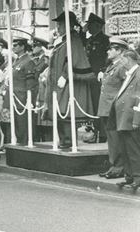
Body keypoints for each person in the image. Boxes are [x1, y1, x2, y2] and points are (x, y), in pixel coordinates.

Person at [46, 11, 96, 148]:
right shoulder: (63, 40)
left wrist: (65, 75)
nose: (58, 27)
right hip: (58, 84)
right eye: (58, 24)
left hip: (67, 83)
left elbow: (73, 59)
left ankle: (67, 140)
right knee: (59, 111)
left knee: (66, 111)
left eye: (61, 24)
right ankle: (64, 140)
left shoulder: (73, 39)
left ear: (69, 25)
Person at [97, 38, 128, 179]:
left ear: (120, 51)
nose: (108, 51)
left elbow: (126, 87)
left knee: (116, 138)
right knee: (111, 138)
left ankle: (119, 167)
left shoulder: (122, 67)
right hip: (107, 108)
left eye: (111, 49)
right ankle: (114, 165)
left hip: (114, 108)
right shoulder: (112, 66)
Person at [111, 50, 140, 190]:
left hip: (130, 118)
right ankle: (129, 176)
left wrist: (137, 119)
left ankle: (137, 177)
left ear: (129, 60)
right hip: (123, 118)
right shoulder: (129, 75)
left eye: (122, 60)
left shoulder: (138, 74)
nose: (121, 63)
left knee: (133, 149)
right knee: (125, 149)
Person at [5, 37, 38, 144]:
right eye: (12, 45)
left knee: (23, 126)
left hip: (22, 99)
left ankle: (25, 145)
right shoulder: (17, 61)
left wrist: (29, 99)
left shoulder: (28, 61)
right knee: (16, 126)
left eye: (16, 45)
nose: (13, 47)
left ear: (22, 46)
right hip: (14, 98)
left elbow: (30, 82)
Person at [84, 13, 110, 144]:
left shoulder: (106, 40)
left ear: (97, 26)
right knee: (92, 106)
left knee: (99, 105)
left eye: (89, 24)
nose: (87, 27)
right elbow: (79, 42)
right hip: (89, 76)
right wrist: (83, 31)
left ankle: (103, 134)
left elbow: (108, 59)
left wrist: (102, 71)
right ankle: (95, 131)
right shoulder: (88, 40)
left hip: (99, 77)